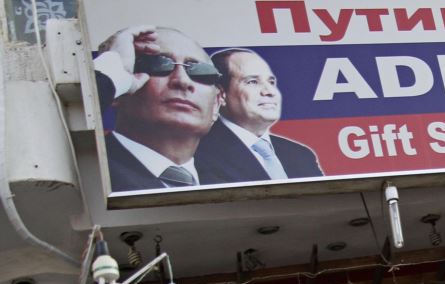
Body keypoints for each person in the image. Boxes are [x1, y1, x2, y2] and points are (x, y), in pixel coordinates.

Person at [93, 26, 225, 191]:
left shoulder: (233, 178)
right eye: (159, 64)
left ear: (216, 105)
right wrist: (108, 75)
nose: (183, 81)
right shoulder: (85, 166)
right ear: (119, 89)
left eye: (201, 71)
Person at [196, 48, 323, 183]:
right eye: (252, 82)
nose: (269, 91)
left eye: (271, 82)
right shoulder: (197, 153)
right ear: (221, 94)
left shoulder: (301, 155)